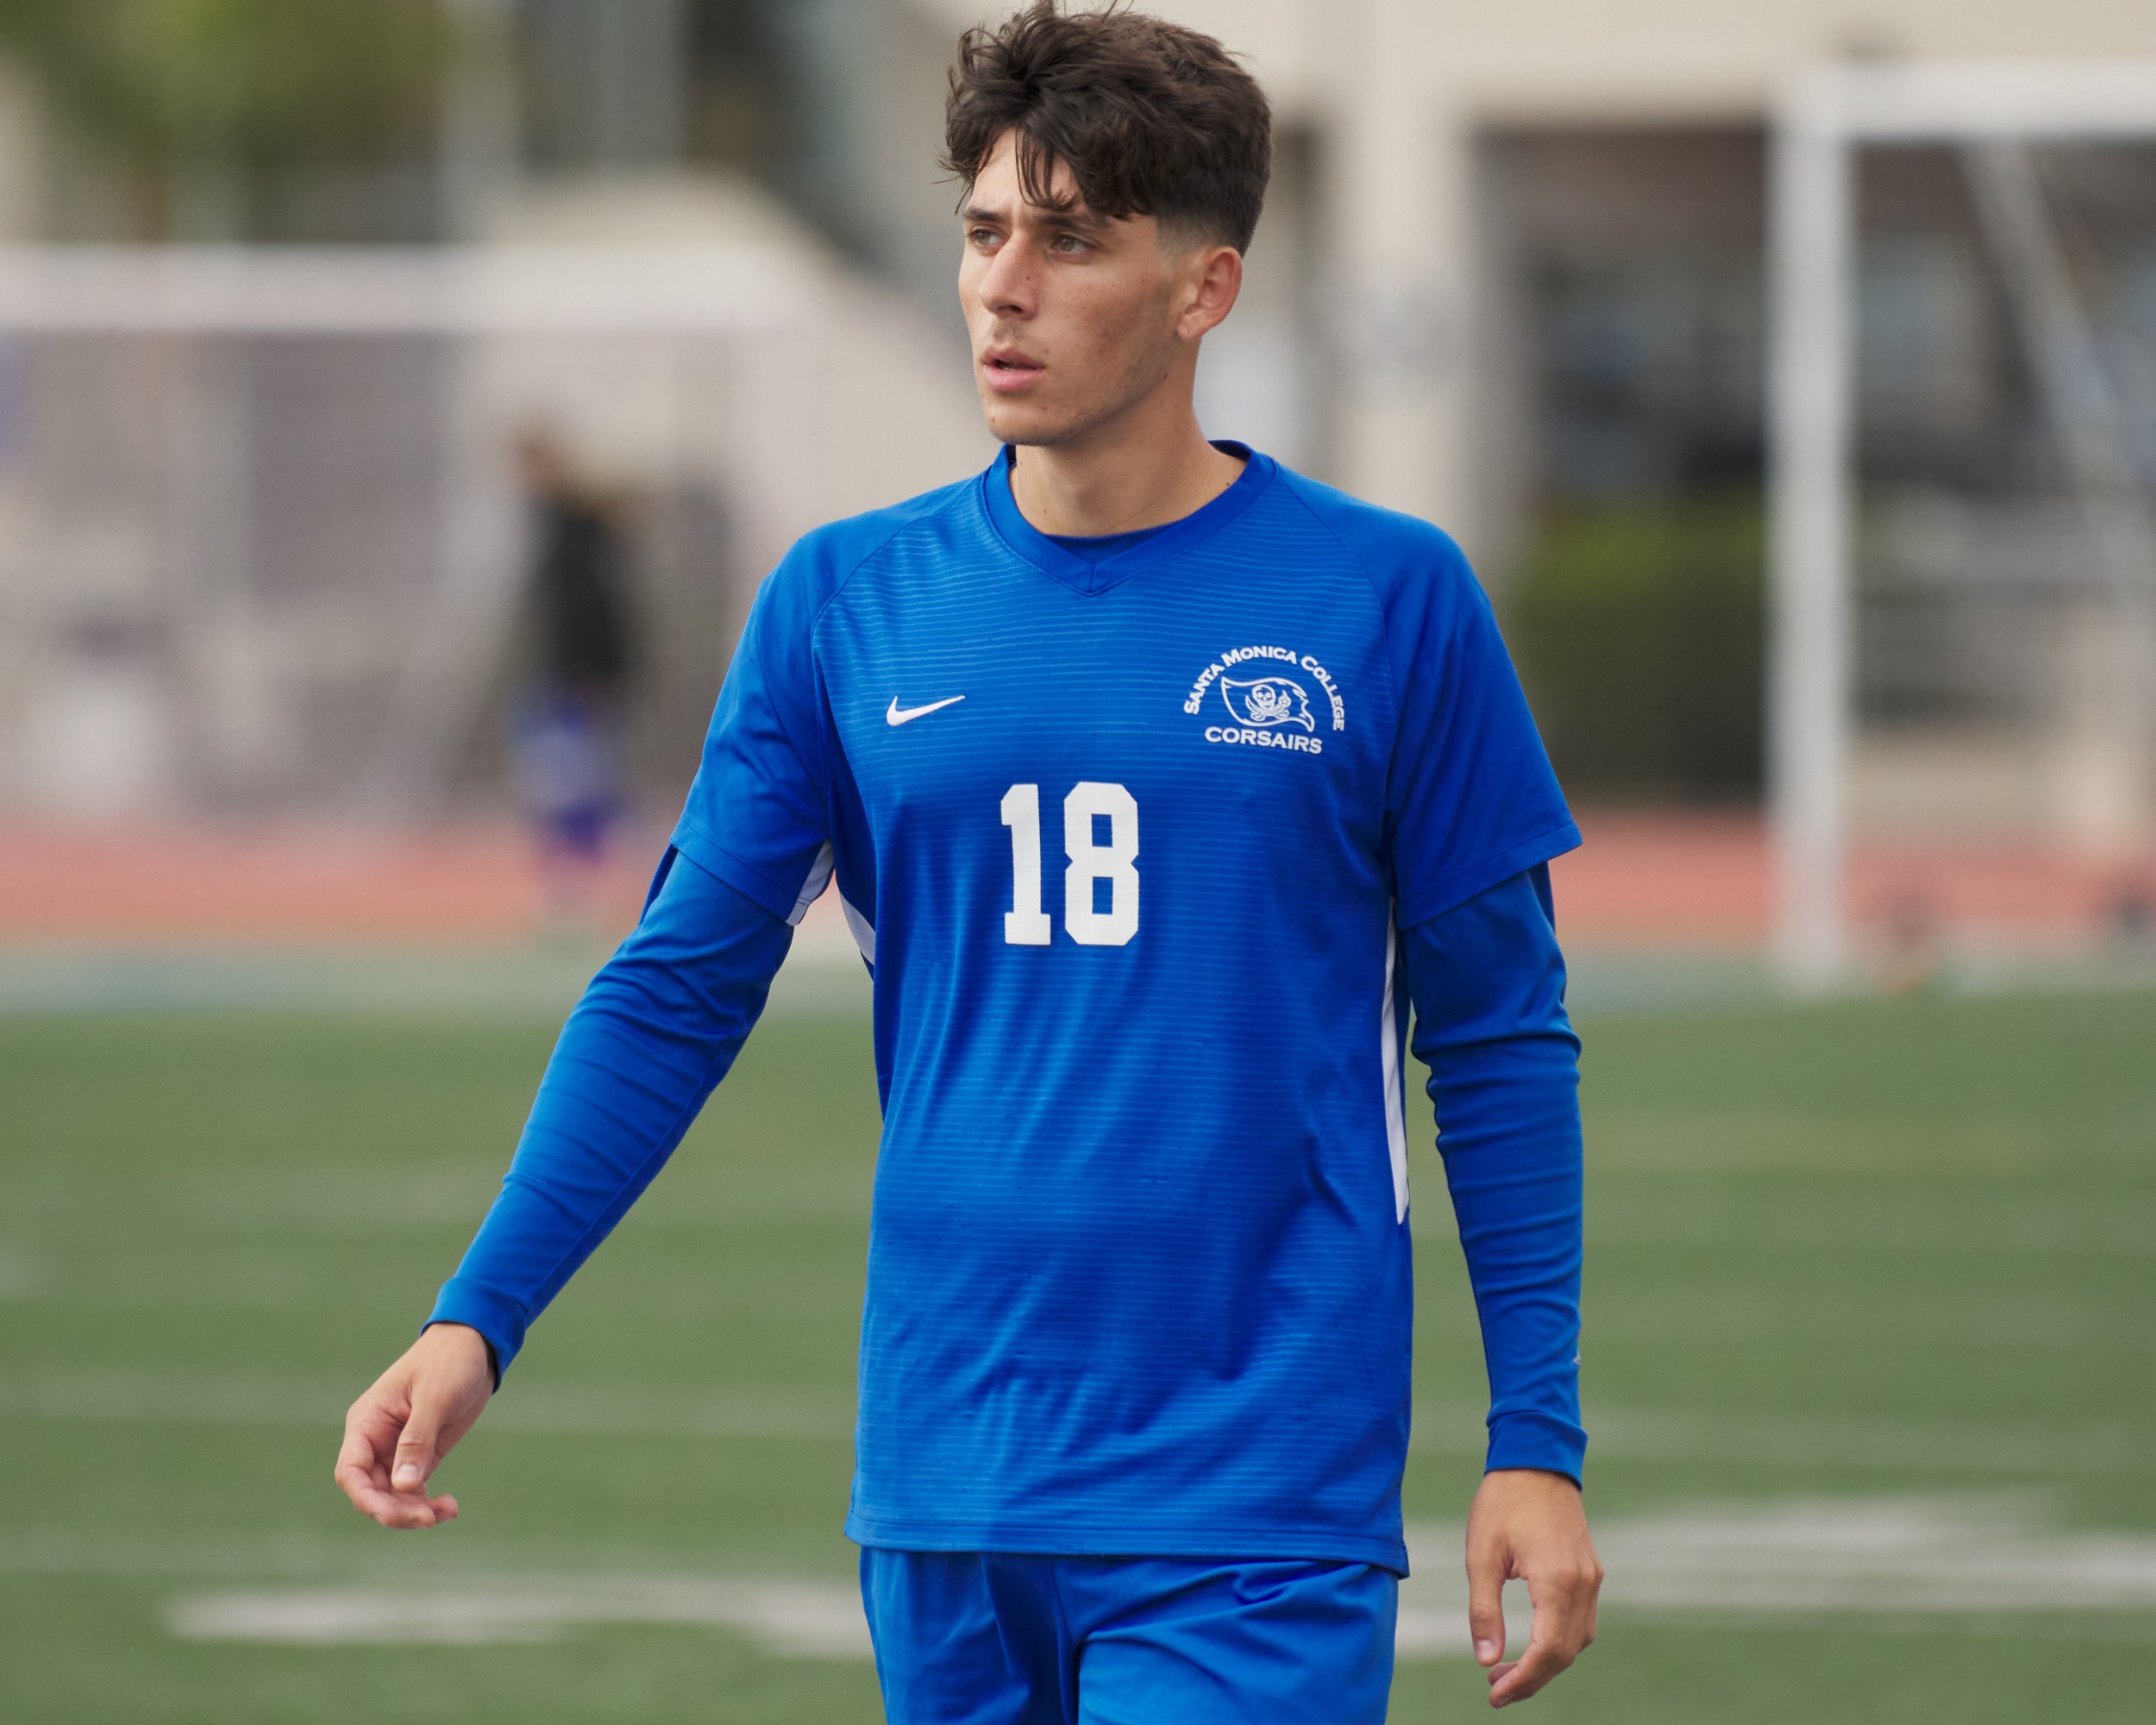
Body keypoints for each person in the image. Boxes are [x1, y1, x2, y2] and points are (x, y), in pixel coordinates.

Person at [335, 6, 1602, 1718]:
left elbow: (1501, 1035)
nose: (1003, 285)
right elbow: (672, 990)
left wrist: (1534, 1438)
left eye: (1070, 241)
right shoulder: (840, 603)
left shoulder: (1384, 599)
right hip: (944, 1483)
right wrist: (475, 1316)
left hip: (1250, 1495)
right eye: (985, 232)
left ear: (1201, 288)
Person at [506, 427, 638, 925]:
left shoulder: (576, 529)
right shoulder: (552, 523)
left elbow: (594, 611)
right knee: (563, 781)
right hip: (562, 675)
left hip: (581, 678)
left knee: (577, 782)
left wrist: (592, 674)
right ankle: (575, 884)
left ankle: (591, 884)